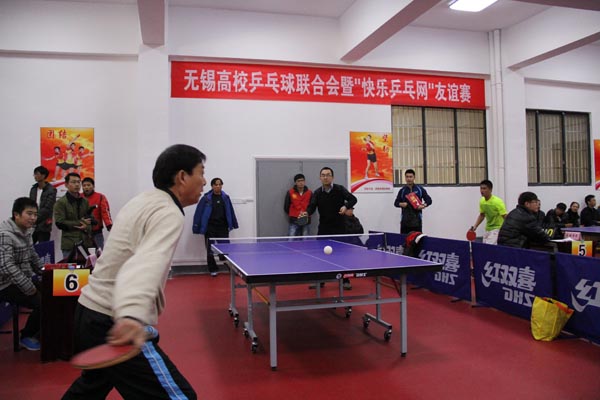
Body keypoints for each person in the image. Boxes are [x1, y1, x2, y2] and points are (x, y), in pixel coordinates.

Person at [62, 144, 204, 400]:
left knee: (91, 388)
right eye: (201, 173)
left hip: (87, 311)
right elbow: (146, 262)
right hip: (113, 319)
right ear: (182, 177)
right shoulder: (168, 213)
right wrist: (130, 315)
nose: (204, 181)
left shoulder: (143, 200)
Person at [0, 197, 44, 351]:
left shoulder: (27, 231)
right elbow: (6, 266)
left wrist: (48, 273)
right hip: (5, 284)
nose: (33, 218)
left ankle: (44, 334)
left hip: (20, 280)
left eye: (35, 214)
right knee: (42, 302)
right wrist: (28, 287)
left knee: (53, 293)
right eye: (29, 214)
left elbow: (33, 257)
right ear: (16, 215)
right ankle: (26, 336)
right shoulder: (5, 234)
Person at [307, 167, 357, 290]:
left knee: (342, 256)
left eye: (328, 175)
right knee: (321, 256)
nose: (325, 177)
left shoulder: (340, 189)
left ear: (332, 177)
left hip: (339, 228)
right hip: (324, 229)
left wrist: (346, 206)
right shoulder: (317, 193)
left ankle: (345, 280)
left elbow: (353, 199)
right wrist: (306, 213)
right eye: (323, 175)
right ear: (320, 177)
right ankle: (321, 280)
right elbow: (311, 207)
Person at [192, 178, 239, 277]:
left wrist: (234, 223)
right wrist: (196, 227)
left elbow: (230, 211)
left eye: (220, 184)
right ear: (212, 186)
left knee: (226, 249)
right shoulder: (206, 198)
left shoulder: (225, 198)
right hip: (210, 227)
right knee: (210, 250)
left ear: (222, 186)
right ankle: (213, 269)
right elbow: (198, 213)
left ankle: (230, 267)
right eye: (216, 184)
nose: (218, 186)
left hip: (222, 227)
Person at [53, 172, 93, 260]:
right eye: (73, 182)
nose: (77, 185)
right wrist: (80, 223)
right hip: (69, 244)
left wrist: (86, 226)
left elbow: (90, 220)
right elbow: (60, 223)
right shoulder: (61, 203)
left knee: (87, 267)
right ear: (66, 185)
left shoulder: (85, 201)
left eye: (78, 182)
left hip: (85, 243)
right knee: (70, 268)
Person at [393, 169, 432, 234]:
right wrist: (401, 204)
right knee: (404, 239)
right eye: (407, 177)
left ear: (414, 177)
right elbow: (396, 203)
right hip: (405, 222)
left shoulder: (420, 189)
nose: (409, 179)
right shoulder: (402, 190)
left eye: (410, 177)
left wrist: (423, 205)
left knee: (417, 239)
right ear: (405, 178)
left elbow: (429, 200)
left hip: (417, 222)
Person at [469, 179, 507, 245]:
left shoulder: (498, 202)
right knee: (485, 248)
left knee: (489, 248)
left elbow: (505, 216)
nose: (482, 191)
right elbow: (482, 215)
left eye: (484, 188)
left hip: (497, 229)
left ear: (490, 190)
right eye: (481, 188)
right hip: (488, 229)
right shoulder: (482, 201)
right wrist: (475, 226)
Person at [82, 177, 113, 250]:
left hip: (97, 232)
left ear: (93, 186)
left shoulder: (100, 197)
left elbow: (105, 212)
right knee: (82, 255)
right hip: (82, 232)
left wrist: (109, 225)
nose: (86, 187)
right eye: (84, 185)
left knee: (99, 253)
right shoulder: (79, 197)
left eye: (88, 185)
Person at [29, 165, 57, 243]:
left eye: (37, 174)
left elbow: (48, 208)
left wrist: (35, 218)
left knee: (43, 247)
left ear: (43, 175)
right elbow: (30, 205)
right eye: (34, 174)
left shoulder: (51, 190)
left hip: (44, 224)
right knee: (29, 246)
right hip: (32, 224)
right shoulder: (33, 189)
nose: (35, 176)